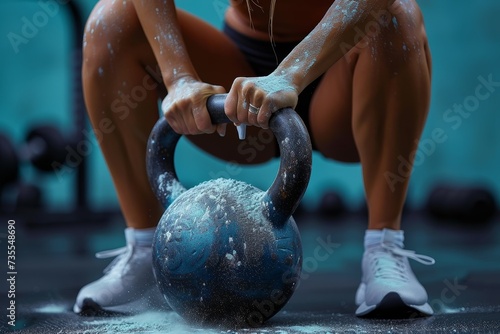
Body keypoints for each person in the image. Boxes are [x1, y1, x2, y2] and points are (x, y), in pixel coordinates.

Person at [75, 0, 435, 317]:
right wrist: (179, 77)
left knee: (396, 13)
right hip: (239, 79)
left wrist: (291, 75)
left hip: (346, 75)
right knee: (112, 20)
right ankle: (145, 252)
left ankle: (384, 250)